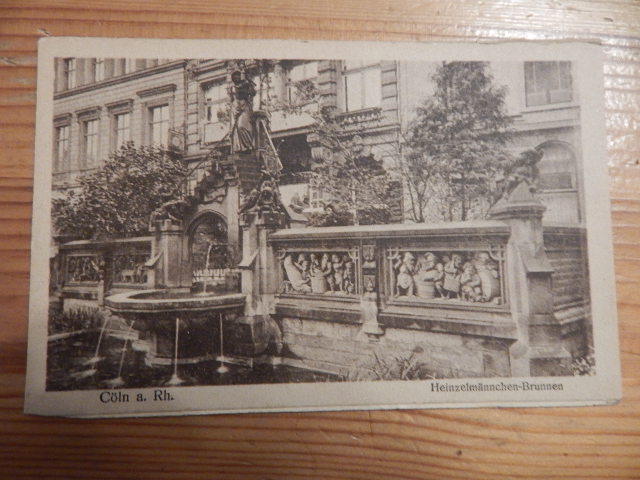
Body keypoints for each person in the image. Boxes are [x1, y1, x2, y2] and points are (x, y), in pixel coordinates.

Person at [229, 70, 256, 153]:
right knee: (235, 129)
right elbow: (231, 99)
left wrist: (250, 84)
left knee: (242, 126)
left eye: (238, 77)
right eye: (234, 78)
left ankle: (248, 146)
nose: (236, 79)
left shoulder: (245, 84)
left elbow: (253, 93)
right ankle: (239, 148)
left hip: (245, 107)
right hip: (235, 107)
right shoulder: (232, 88)